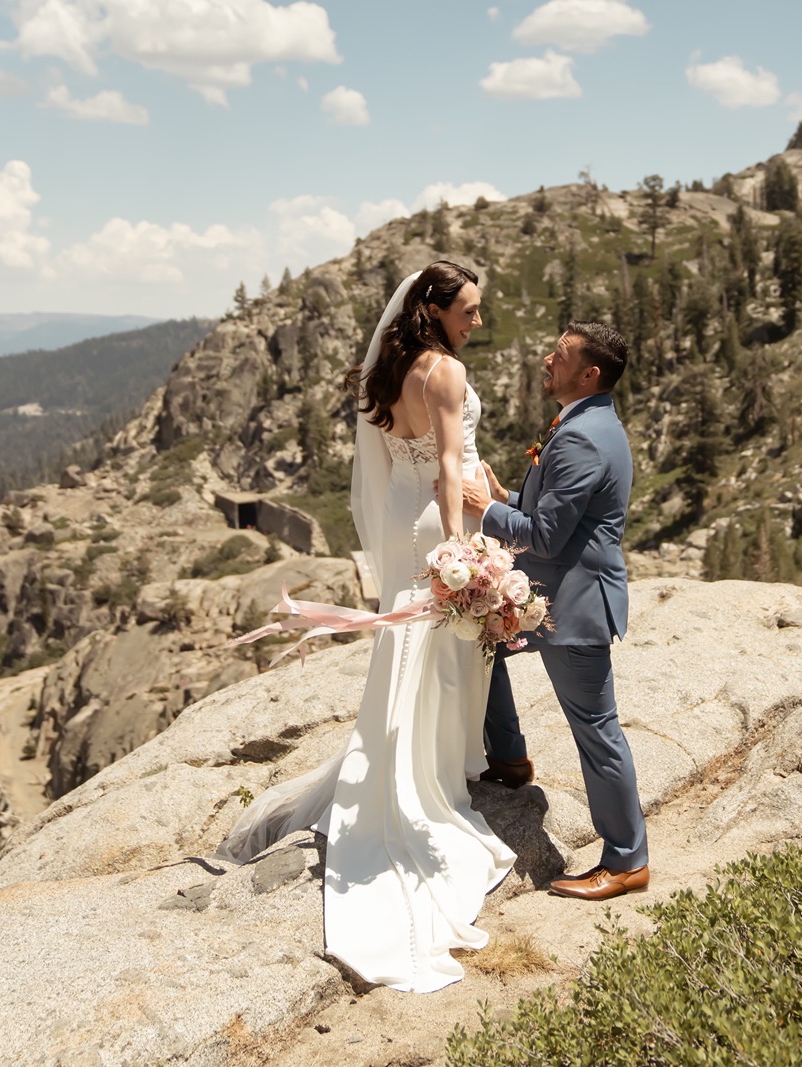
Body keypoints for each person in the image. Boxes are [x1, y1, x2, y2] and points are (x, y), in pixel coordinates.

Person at [212, 262, 515, 993]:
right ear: (436, 309)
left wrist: (484, 497)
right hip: (437, 522)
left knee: (416, 647)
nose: (478, 322)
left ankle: (426, 762)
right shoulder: (442, 372)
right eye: (468, 311)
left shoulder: (392, 368)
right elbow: (448, 463)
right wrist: (462, 547)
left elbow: (414, 461)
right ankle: (437, 780)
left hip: (403, 520)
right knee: (440, 656)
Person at [462, 322, 649, 902]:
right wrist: (511, 497)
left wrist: (488, 508)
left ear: (589, 373)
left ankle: (627, 860)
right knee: (476, 649)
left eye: (560, 356)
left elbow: (544, 537)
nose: (547, 359)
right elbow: (559, 514)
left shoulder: (582, 437)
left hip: (572, 606)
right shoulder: (584, 424)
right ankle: (511, 759)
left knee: (597, 732)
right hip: (545, 600)